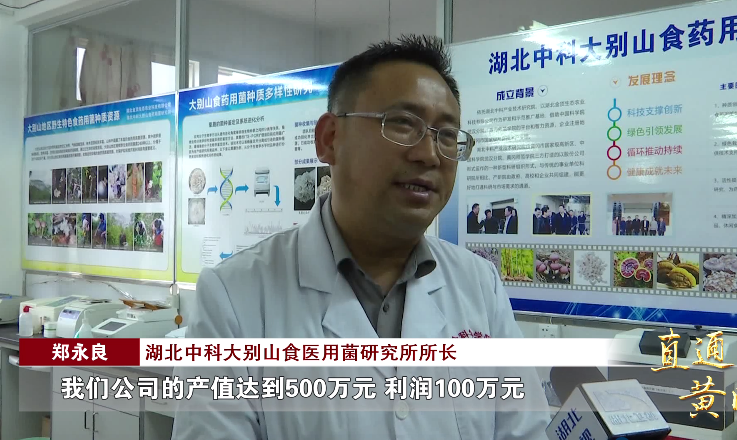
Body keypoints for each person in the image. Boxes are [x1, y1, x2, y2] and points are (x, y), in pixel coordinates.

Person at [171, 35, 548, 440]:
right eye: (402, 123)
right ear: (330, 139)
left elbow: (524, 431)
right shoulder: (235, 295)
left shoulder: (479, 284)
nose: (429, 155)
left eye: (446, 135)